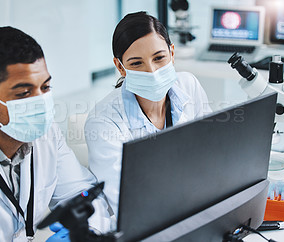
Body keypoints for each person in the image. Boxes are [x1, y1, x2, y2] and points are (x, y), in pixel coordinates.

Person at [0, 26, 110, 241]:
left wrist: (82, 231)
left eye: (45, 87)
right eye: (24, 92)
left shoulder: (46, 133)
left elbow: (83, 195)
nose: (40, 102)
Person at [85, 11, 212, 216]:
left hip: (196, 201)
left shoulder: (189, 85)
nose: (152, 72)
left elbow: (212, 150)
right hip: (147, 221)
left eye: (159, 58)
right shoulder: (103, 122)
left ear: (172, 53)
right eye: (136, 63)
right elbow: (127, 201)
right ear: (120, 66)